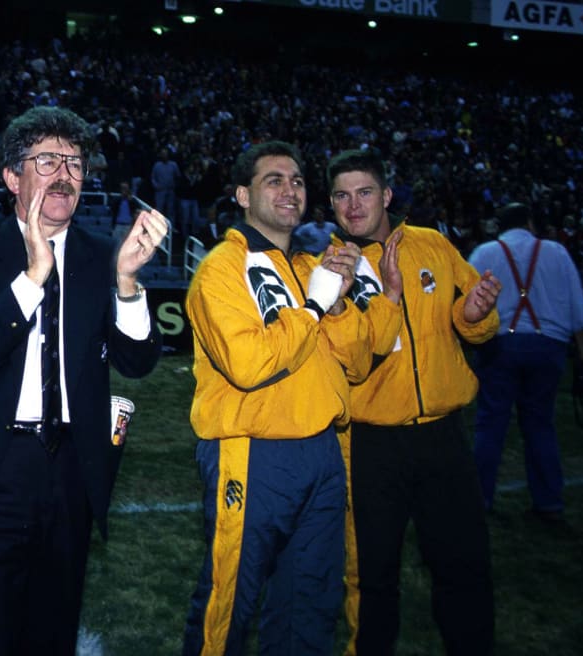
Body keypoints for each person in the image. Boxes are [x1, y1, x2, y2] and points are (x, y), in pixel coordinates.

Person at [0, 106, 168, 655]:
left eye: (75, 162)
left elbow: (136, 362)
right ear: (13, 177)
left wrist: (129, 283)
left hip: (68, 474)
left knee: (51, 630)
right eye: (47, 161)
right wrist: (34, 275)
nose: (65, 174)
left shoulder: (100, 256)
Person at [181, 141, 372, 656]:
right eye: (274, 180)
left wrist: (336, 304)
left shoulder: (313, 265)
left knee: (310, 603)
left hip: (324, 453)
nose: (291, 190)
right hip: (253, 452)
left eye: (297, 181)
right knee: (229, 603)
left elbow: (356, 364)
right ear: (243, 194)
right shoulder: (222, 268)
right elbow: (249, 365)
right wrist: (313, 305)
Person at [326, 148, 502, 656]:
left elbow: (475, 321)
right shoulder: (334, 267)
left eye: (364, 192)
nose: (353, 205)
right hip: (371, 442)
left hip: (443, 436)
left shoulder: (433, 245)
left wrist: (473, 314)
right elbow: (345, 359)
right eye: (342, 194)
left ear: (386, 195)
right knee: (373, 575)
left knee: (463, 564)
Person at [468, 202, 583, 521]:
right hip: (548, 344)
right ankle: (549, 501)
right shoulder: (556, 252)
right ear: (529, 223)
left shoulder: (485, 253)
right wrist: (582, 352)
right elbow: (577, 306)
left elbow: (466, 302)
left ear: (499, 225)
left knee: (491, 421)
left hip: (500, 343)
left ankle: (479, 499)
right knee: (540, 424)